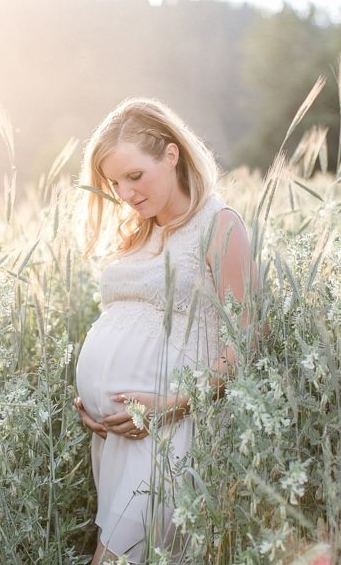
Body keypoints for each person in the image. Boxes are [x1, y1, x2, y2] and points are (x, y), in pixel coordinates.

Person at [72, 97, 259, 564]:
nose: (127, 193)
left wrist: (175, 403)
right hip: (116, 435)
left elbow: (247, 337)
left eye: (135, 176)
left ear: (171, 155)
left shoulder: (218, 224)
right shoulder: (136, 233)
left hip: (173, 431)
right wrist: (91, 401)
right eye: (116, 183)